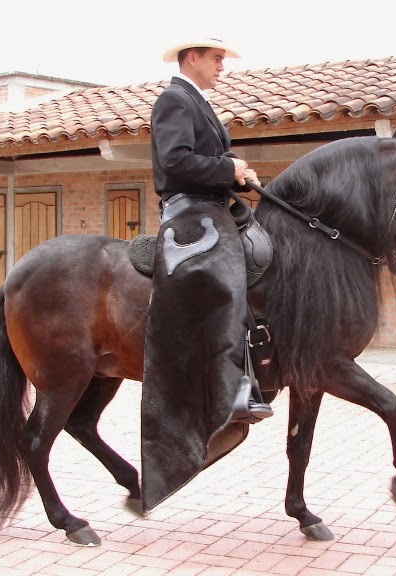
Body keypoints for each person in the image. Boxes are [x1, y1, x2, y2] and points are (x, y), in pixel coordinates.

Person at [139, 37, 272, 512]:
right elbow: (174, 162)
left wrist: (235, 174)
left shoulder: (198, 102)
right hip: (190, 213)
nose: (222, 67)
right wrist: (227, 166)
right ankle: (232, 388)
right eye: (216, 59)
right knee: (227, 268)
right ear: (191, 57)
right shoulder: (174, 99)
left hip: (213, 205)